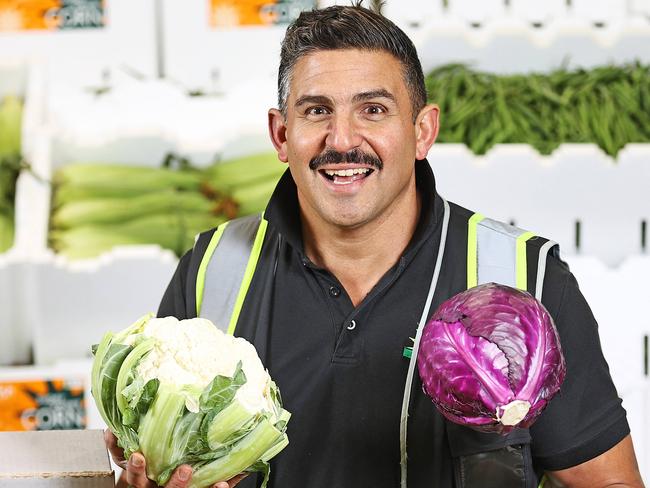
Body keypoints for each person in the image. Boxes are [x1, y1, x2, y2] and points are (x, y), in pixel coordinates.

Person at [106, 3, 645, 487]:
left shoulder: (525, 278)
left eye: (373, 109)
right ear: (280, 134)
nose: (342, 141)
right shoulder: (212, 272)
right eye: (316, 110)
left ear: (422, 132)